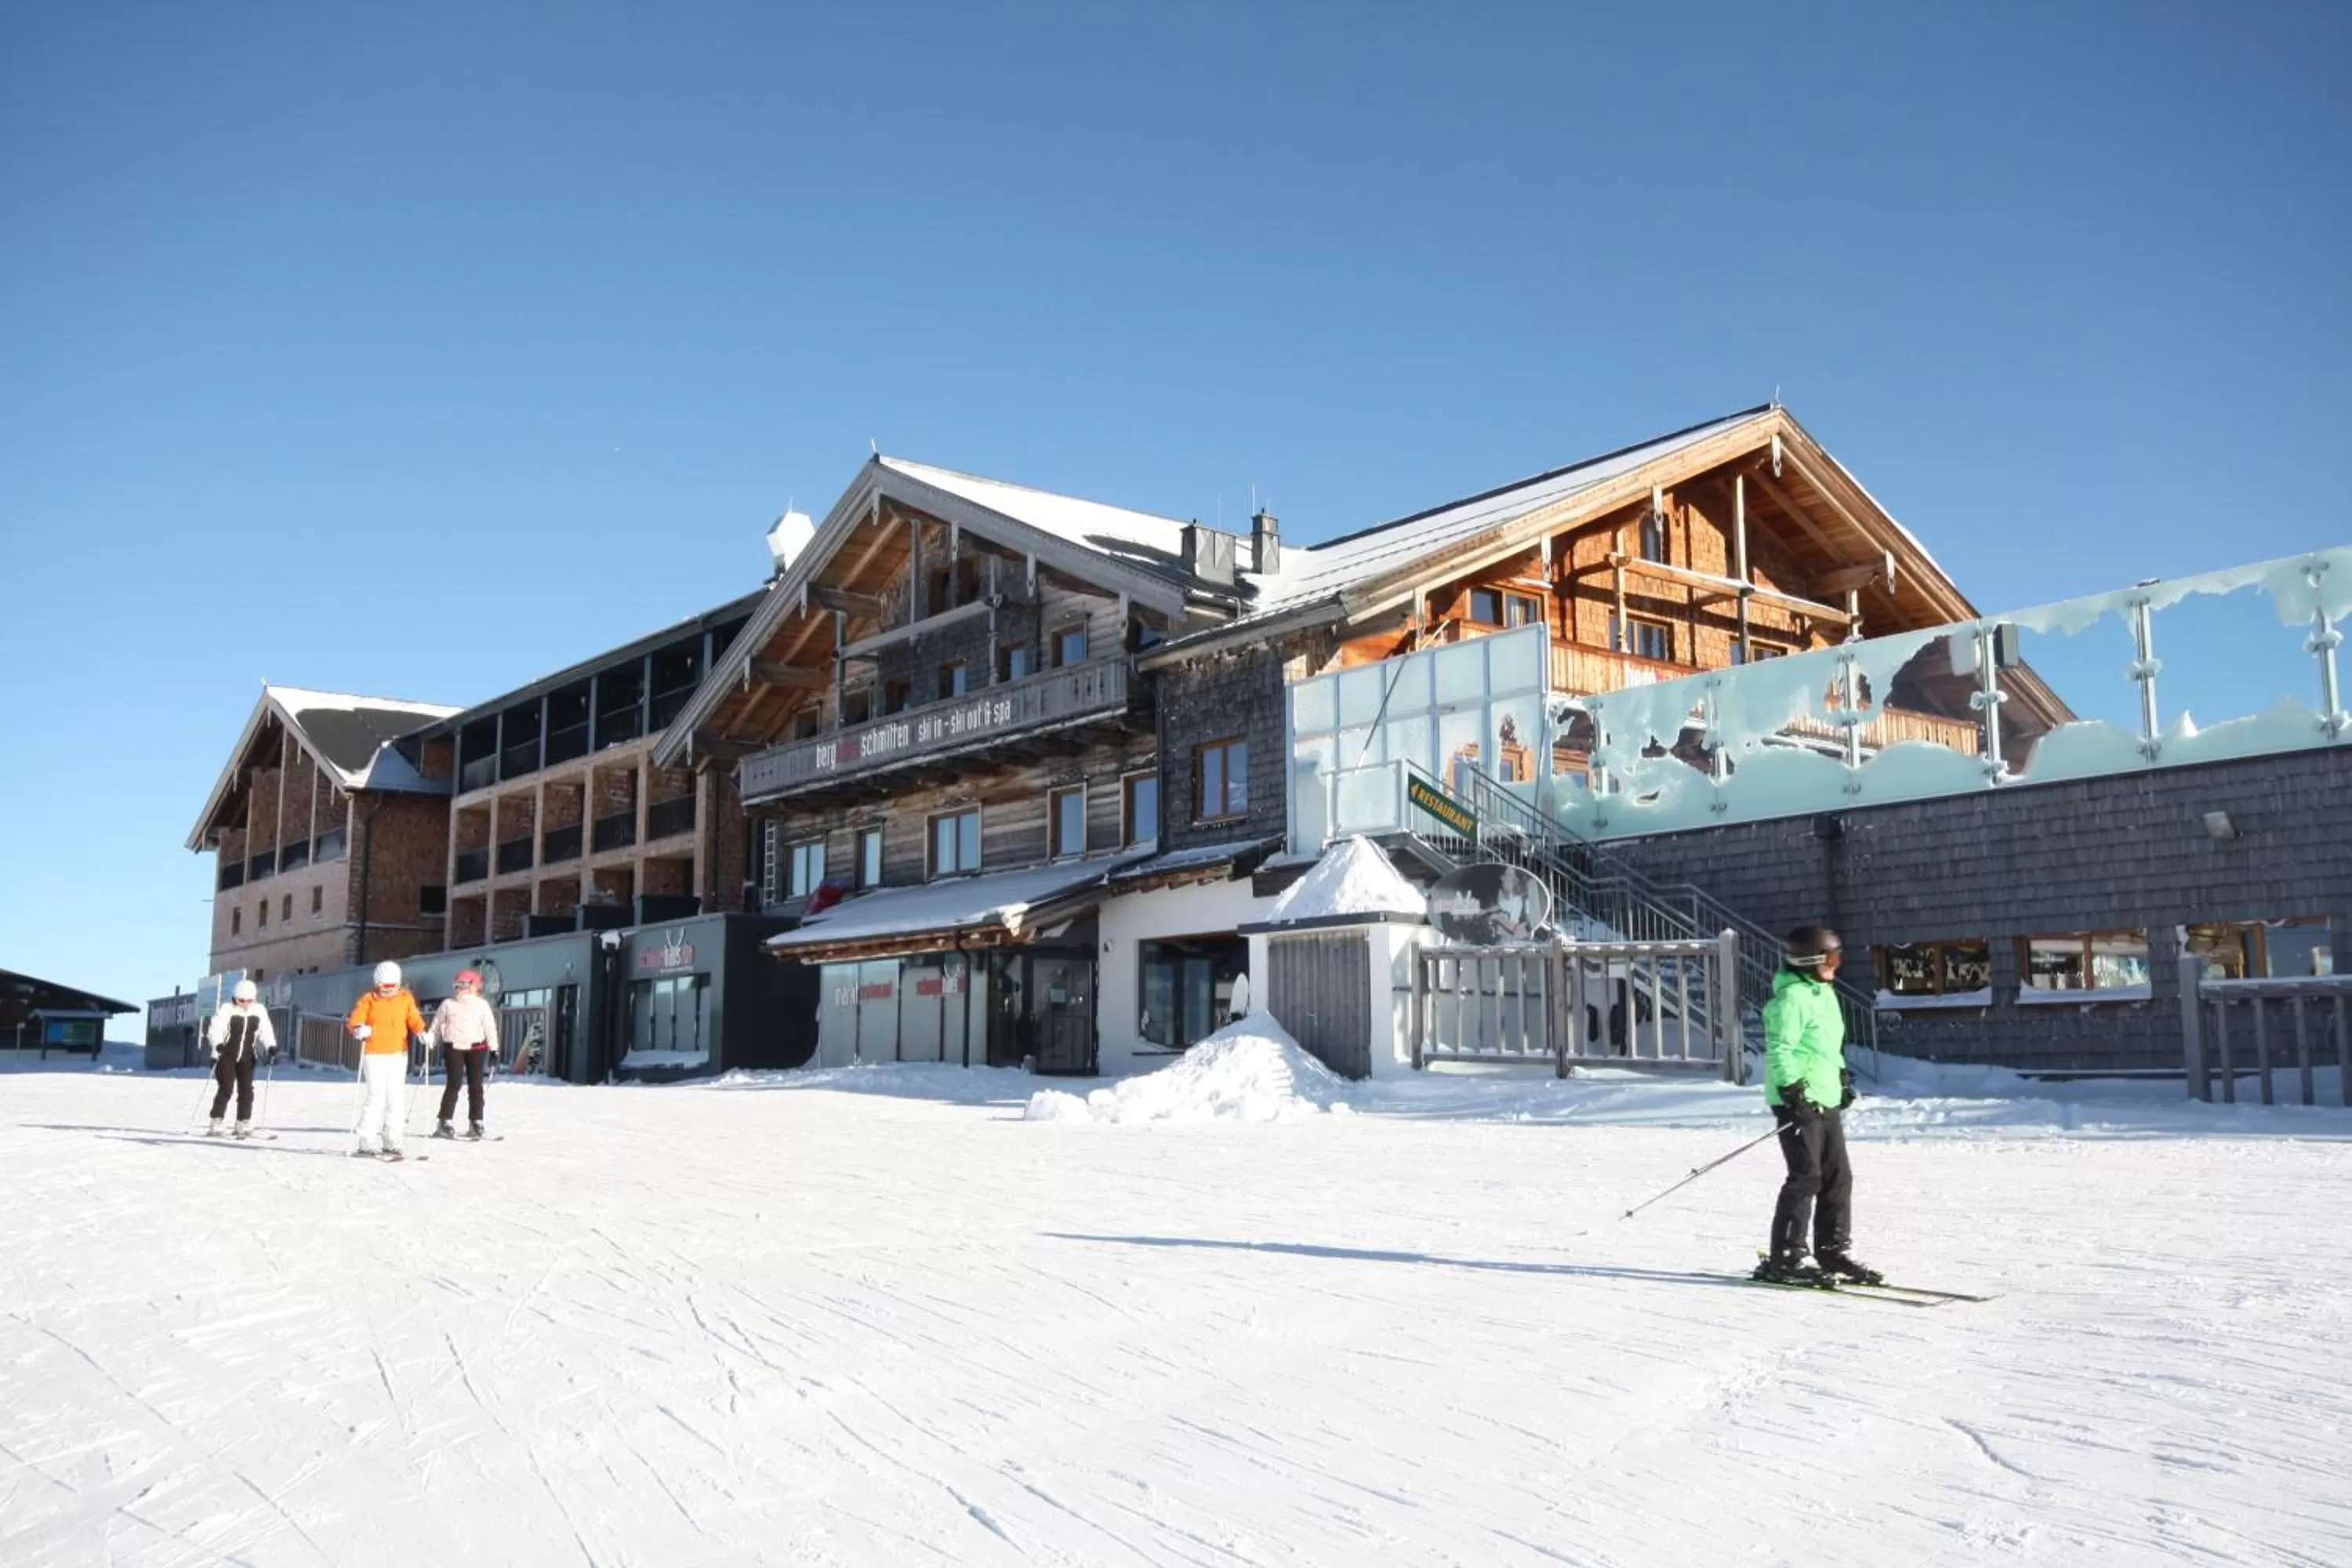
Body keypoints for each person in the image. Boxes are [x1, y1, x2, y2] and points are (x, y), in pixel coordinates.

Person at [1752, 924, 1881, 1286]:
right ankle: (1788, 1256)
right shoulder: (1791, 999)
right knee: (1806, 1176)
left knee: (1838, 1177)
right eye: (1833, 958)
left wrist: (1840, 1079)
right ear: (1812, 960)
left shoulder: (1824, 994)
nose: (1837, 965)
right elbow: (1780, 1049)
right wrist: (1793, 1089)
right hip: (1796, 1099)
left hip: (1823, 1097)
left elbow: (1825, 1048)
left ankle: (1833, 1250)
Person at [346, 960, 426, 1160]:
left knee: (396, 1097)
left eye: (392, 986)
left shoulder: (406, 999)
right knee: (376, 1097)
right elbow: (355, 1020)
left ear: (398, 984)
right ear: (377, 984)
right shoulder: (368, 1000)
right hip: (374, 1054)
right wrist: (359, 1029)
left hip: (398, 1054)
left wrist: (422, 1032)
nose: (388, 990)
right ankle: (366, 1140)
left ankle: (392, 1140)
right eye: (384, 986)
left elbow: (414, 1019)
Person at [424, 968, 499, 1140]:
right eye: (457, 985)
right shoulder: (448, 1004)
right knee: (454, 1084)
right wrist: (431, 1040)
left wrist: (494, 1048)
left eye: (464, 985)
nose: (459, 989)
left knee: (476, 1086)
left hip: (476, 1048)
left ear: (474, 987)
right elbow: (436, 1026)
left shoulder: (481, 1005)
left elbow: (490, 1027)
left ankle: (476, 1121)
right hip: (454, 1048)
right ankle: (445, 1121)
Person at [203, 978, 277, 1138]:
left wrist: (270, 1046)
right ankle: (216, 1122)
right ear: (235, 998)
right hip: (227, 1055)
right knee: (226, 1089)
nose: (245, 1004)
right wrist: (218, 1045)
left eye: (249, 1000)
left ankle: (242, 1123)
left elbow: (266, 1031)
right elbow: (214, 1030)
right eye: (241, 1000)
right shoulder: (227, 1009)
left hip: (247, 1056)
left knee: (246, 1091)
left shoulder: (258, 1011)